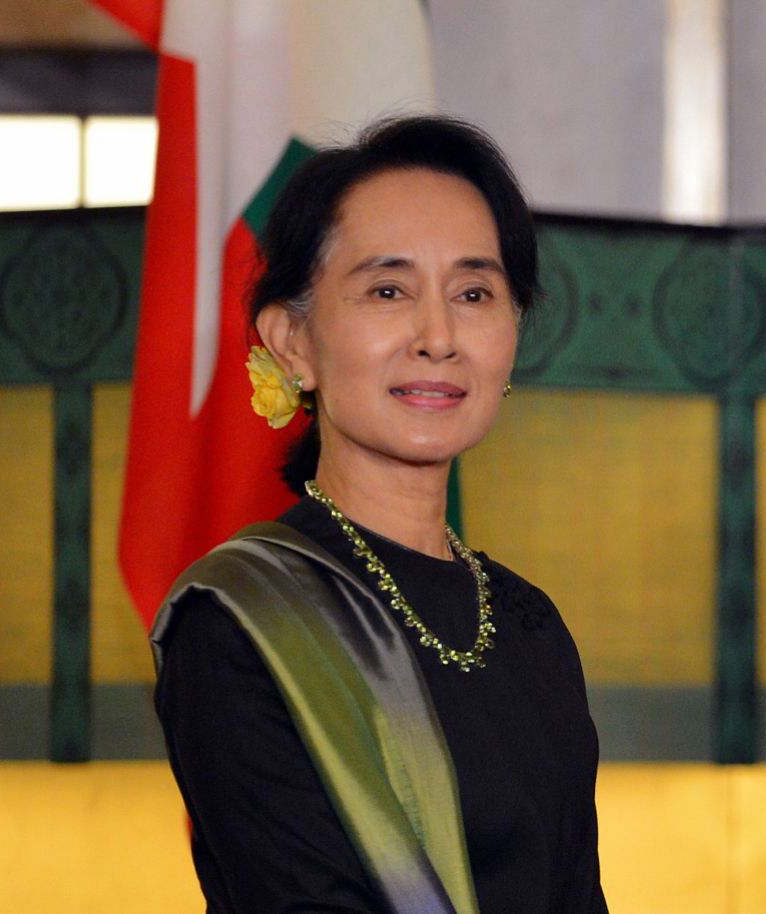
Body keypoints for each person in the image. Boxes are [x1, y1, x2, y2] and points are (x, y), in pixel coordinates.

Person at [151, 116, 607, 914]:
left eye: (474, 293)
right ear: (292, 341)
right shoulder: (243, 620)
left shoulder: (530, 623)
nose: (439, 336)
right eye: (388, 290)